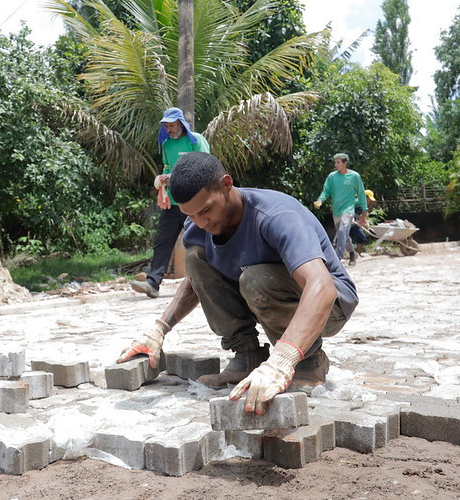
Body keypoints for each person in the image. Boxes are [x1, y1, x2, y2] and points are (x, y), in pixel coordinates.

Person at [117, 152, 359, 414]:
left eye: (206, 210)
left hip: (330, 306)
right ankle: (247, 357)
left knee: (254, 279)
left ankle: (310, 361)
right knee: (196, 257)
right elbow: (196, 280)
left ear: (226, 185)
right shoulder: (199, 225)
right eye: (191, 215)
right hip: (267, 291)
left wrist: (282, 360)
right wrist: (159, 329)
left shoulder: (276, 216)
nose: (200, 222)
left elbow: (321, 287)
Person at [131, 108, 210, 298]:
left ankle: (211, 282)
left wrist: (173, 176)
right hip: (173, 202)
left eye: (172, 125)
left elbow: (205, 166)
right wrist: (162, 182)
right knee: (162, 241)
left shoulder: (196, 140)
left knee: (202, 242)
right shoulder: (166, 145)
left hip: (194, 202)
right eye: (166, 126)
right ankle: (153, 283)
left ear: (181, 124)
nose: (169, 129)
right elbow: (167, 168)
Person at [314, 153, 369, 266]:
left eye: (338, 162)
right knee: (343, 235)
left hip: (348, 211)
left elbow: (361, 194)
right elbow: (326, 191)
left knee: (342, 231)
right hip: (336, 211)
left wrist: (364, 210)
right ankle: (352, 253)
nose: (336, 165)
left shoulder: (355, 176)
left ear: (345, 163)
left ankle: (337, 258)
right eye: (335, 162)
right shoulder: (332, 177)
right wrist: (320, 200)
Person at [348, 189, 376, 256]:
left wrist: (366, 223)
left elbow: (363, 215)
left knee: (362, 237)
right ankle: (339, 256)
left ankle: (358, 255)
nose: (370, 201)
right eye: (369, 199)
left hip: (353, 224)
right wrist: (351, 218)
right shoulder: (357, 201)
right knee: (343, 239)